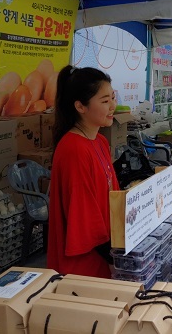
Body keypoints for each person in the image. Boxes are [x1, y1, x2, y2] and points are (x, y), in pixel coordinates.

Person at [48, 65, 120, 278]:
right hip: (86, 263)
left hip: (106, 250)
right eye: (105, 101)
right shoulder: (74, 149)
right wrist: (113, 258)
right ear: (80, 106)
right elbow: (83, 218)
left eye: (113, 98)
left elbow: (113, 197)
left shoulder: (100, 141)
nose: (113, 106)